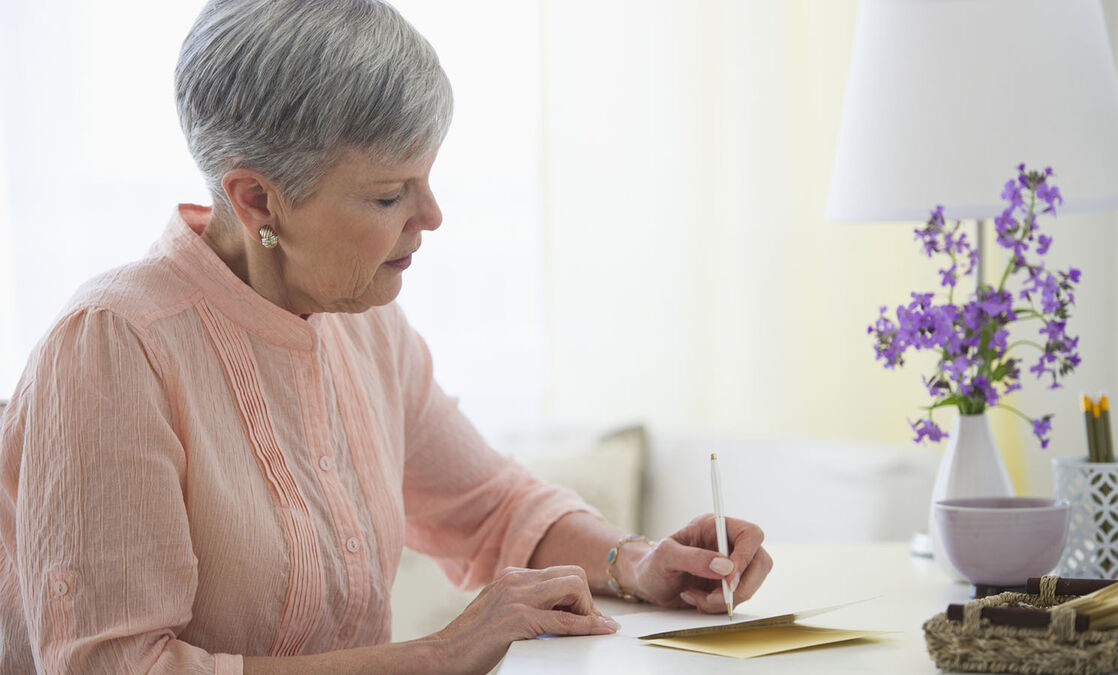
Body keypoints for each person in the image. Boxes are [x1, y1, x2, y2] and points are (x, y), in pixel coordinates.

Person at [0, 1, 772, 673]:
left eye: (427, 179)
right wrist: (436, 655)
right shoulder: (112, 347)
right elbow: (114, 667)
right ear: (256, 198)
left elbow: (493, 507)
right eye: (388, 194)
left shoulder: (363, 321)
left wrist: (638, 562)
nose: (431, 215)